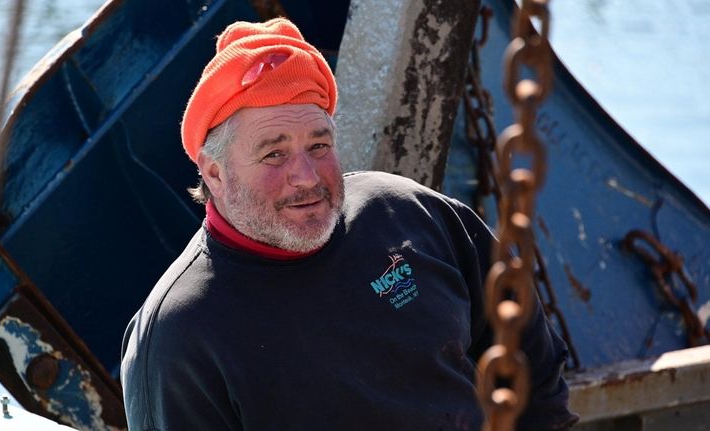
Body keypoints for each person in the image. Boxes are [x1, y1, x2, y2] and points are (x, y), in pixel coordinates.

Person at [121, 17, 578, 431]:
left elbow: (529, 360)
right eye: (274, 153)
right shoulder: (179, 335)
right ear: (215, 173)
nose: (306, 176)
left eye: (319, 145)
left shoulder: (405, 213)